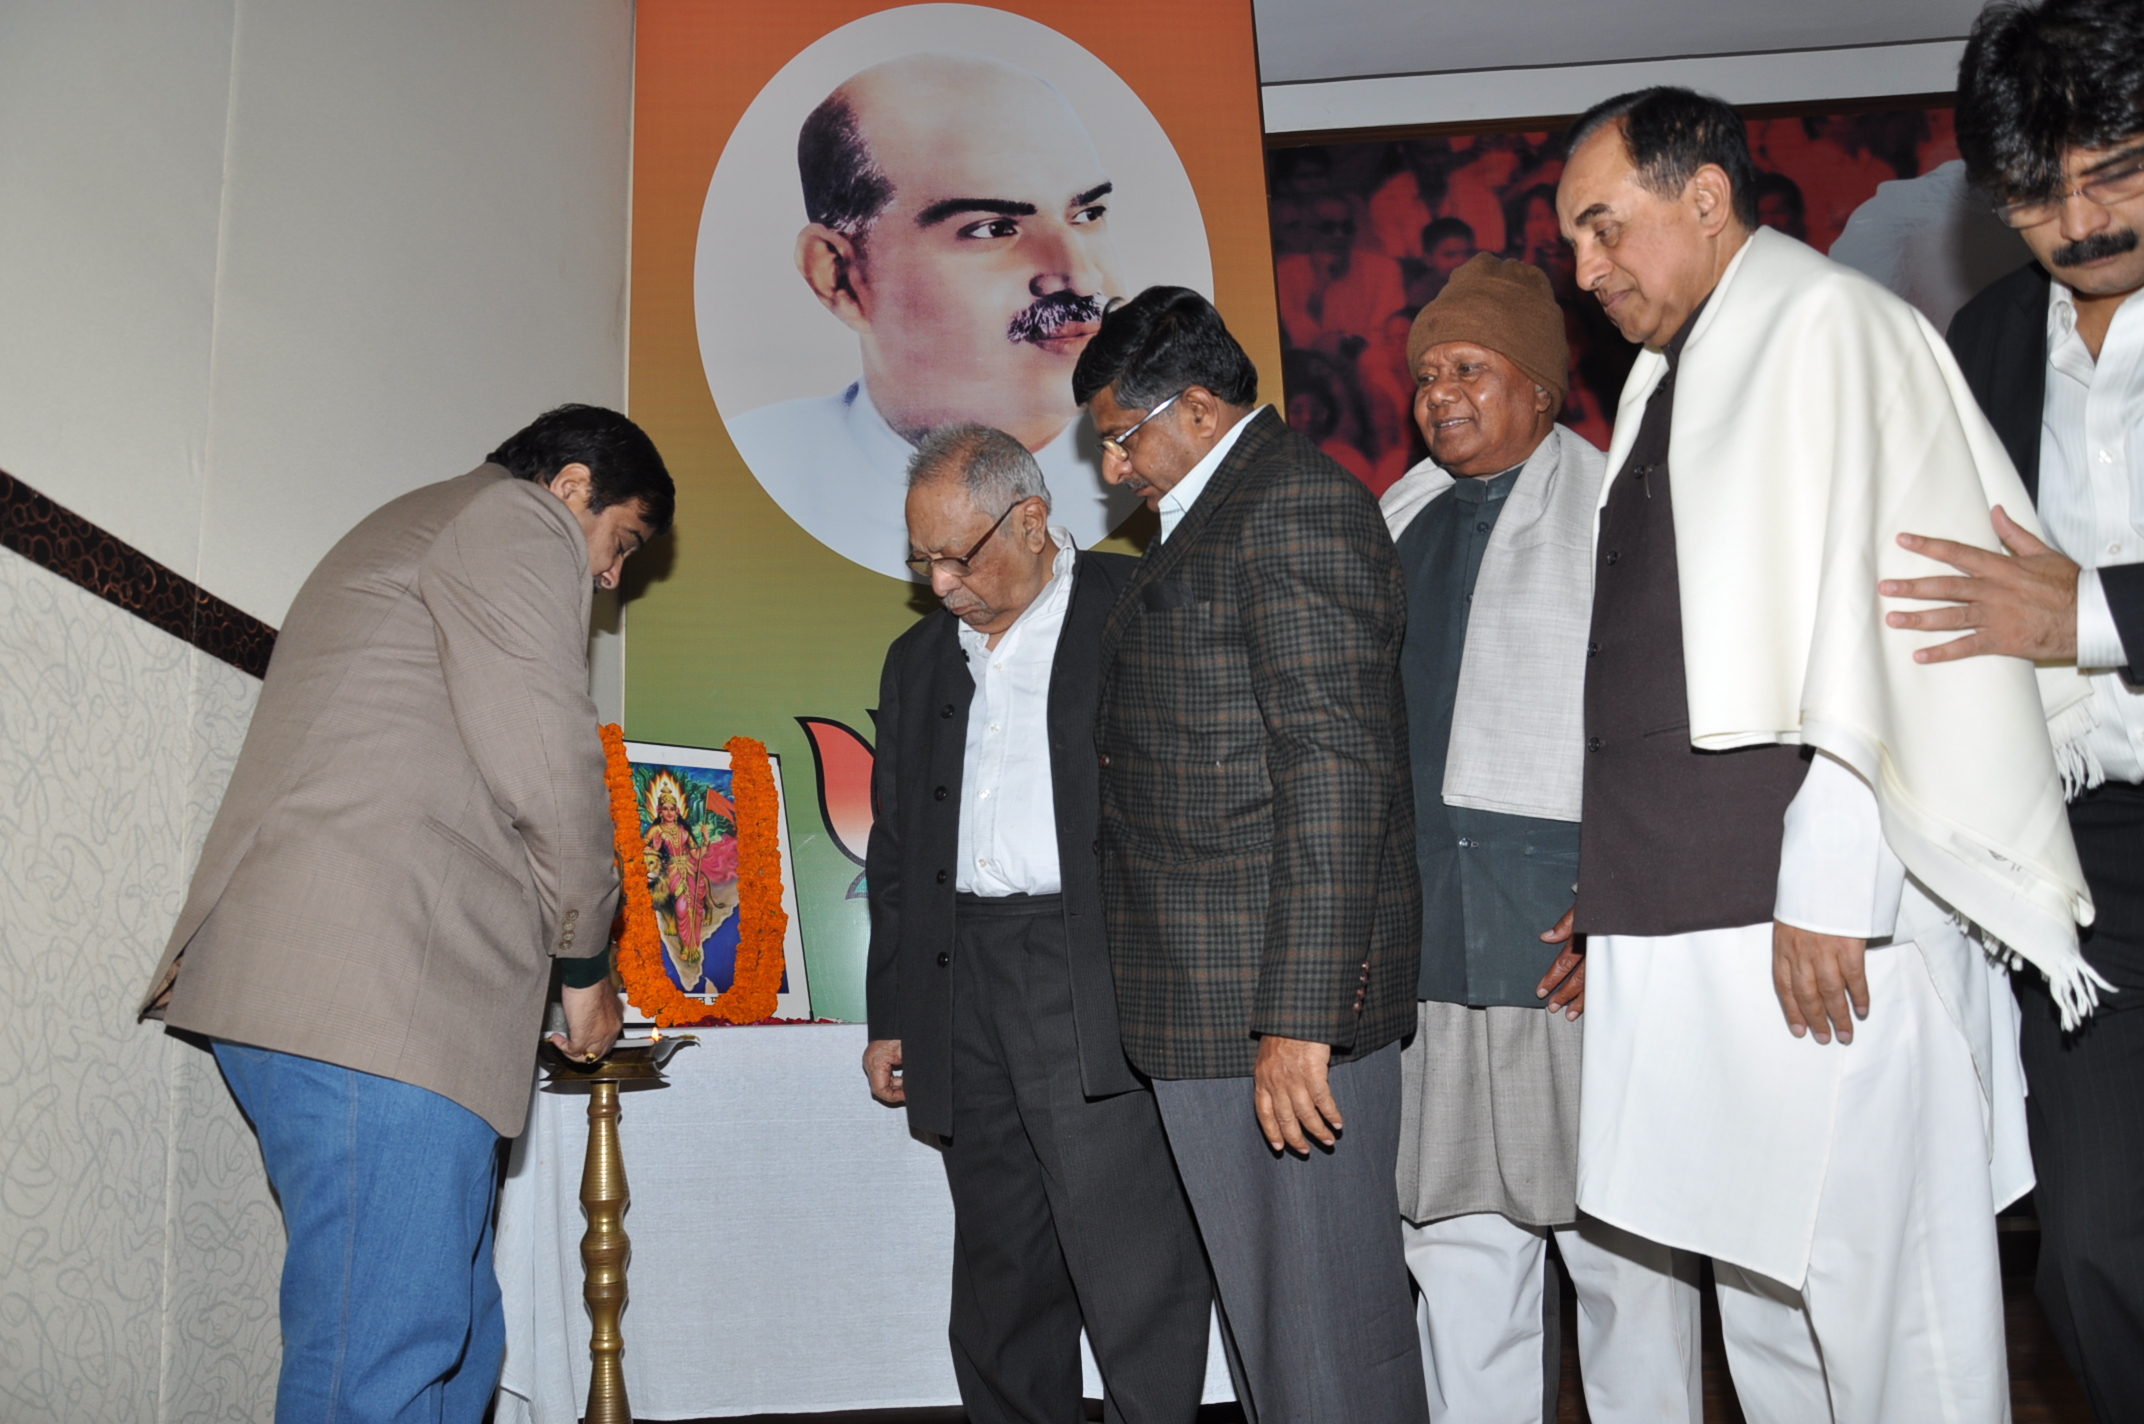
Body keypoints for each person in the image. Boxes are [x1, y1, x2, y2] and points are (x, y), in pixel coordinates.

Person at [1556, 88, 2098, 1423]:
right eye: (1573, 240)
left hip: (1812, 919)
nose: (1586, 268)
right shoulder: (1668, 377)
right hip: (1694, 909)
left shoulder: (1830, 331)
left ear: (1705, 196)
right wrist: (1615, 890)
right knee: (1764, 1292)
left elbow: (1905, 626)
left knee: (1889, 1303)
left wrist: (1834, 882)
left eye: (1604, 226)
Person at [136, 405, 673, 1423]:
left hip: (367, 1008)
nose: (609, 580)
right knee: (381, 1366)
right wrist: (584, 965)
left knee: (448, 1341)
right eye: (621, 543)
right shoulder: (514, 521)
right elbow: (552, 766)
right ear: (570, 488)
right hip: (377, 1005)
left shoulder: (429, 522)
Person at [1076, 287, 1429, 1424]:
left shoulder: (1291, 509)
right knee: (1279, 1349)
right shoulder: (1217, 511)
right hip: (1208, 1008)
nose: (1115, 469)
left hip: (1272, 1020)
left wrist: (1299, 1017)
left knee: (1331, 1348)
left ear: (1189, 409)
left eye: (1121, 438)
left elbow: (1335, 774)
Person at [1378, 253, 1703, 1423]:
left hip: (1574, 952)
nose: (1439, 395)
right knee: (1459, 1253)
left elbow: (1669, 729)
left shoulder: (1621, 502)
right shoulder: (1390, 516)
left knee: (1623, 1258)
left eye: (1468, 367)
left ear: (1539, 385)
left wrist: (1614, 901)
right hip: (1431, 959)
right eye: (1423, 375)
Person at [1881, 3, 2144, 1414]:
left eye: (2118, 170)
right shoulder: (1980, 336)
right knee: (2091, 1257)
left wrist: (2088, 612)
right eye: (2038, 195)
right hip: (2088, 877)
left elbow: (2051, 602)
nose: (2081, 220)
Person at [862, 424, 1210, 1424]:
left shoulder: (1135, 608)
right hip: (960, 971)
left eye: (955, 555)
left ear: (1029, 518)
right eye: (919, 557)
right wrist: (896, 1012)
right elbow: (898, 852)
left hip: (1089, 963)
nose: (937, 584)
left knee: (1127, 1253)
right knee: (1000, 1265)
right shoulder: (917, 658)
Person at [729, 52, 1137, 580]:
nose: (1081, 277)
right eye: (994, 229)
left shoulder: (1168, 469)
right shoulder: (761, 469)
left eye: (1087, 215)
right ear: (840, 277)